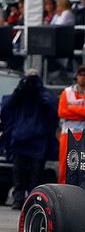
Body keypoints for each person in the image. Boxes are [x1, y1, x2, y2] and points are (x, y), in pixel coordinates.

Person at [0, 71, 58, 209]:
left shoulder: (43, 94)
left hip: (38, 141)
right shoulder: (20, 92)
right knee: (18, 173)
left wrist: (37, 93)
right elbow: (7, 107)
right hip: (20, 139)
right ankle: (18, 199)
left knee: (36, 174)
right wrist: (20, 90)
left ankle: (33, 200)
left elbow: (52, 111)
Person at [58, 65, 85, 184]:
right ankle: (62, 188)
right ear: (76, 76)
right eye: (80, 75)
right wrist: (82, 111)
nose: (82, 78)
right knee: (64, 165)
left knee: (82, 165)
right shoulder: (67, 92)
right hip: (67, 133)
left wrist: (71, 108)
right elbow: (61, 112)